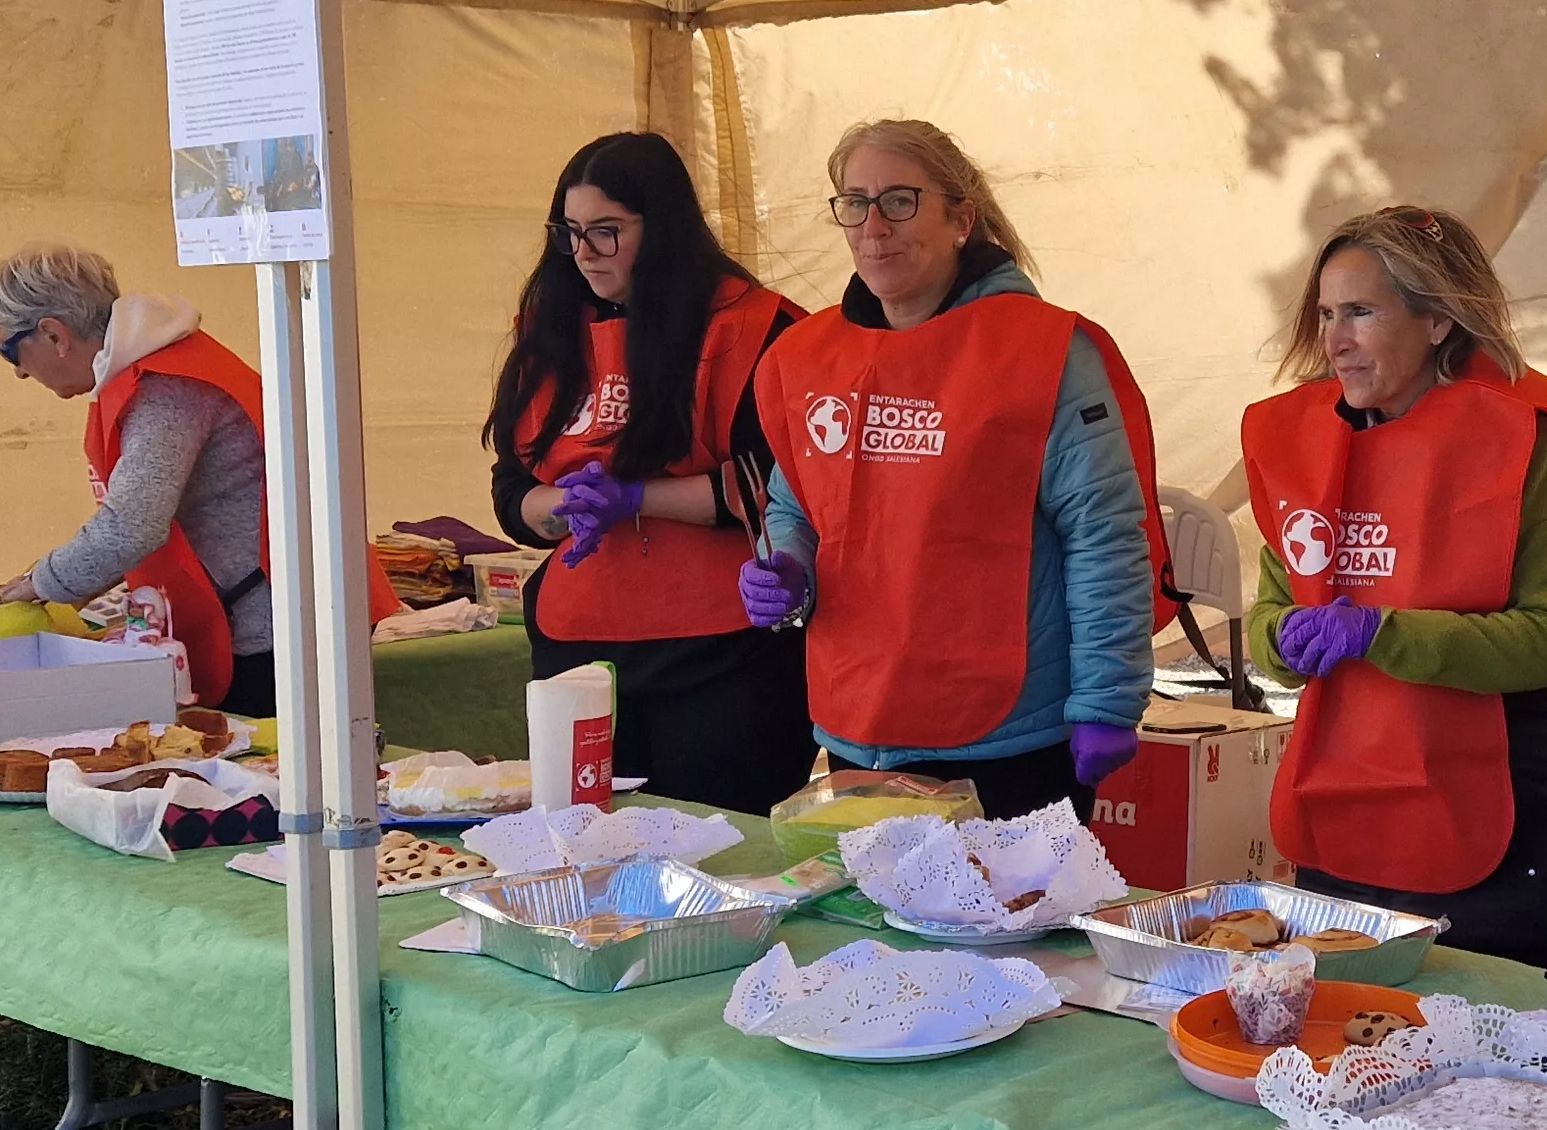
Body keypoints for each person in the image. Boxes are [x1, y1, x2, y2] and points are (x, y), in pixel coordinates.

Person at [1240, 207, 1547, 966]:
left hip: (1496, 816)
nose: (1335, 339)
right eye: (1328, 313)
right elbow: (1271, 613)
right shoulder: (1308, 450)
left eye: (1362, 312)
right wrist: (1280, 638)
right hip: (1346, 803)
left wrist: (1381, 633)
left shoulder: (1521, 441)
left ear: (1437, 320)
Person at [744, 119, 1169, 822]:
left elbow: (1106, 535)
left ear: (961, 218)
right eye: (854, 202)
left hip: (1008, 736)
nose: (873, 226)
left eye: (900, 201)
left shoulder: (1041, 350)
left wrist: (1108, 699)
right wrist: (789, 567)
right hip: (861, 724)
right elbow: (796, 506)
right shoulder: (814, 355)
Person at [483, 132, 813, 815]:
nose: (583, 255)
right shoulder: (549, 330)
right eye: (569, 233)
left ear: (661, 226)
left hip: (723, 655)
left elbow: (778, 483)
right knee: (590, 857)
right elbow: (510, 484)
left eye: (606, 233)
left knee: (721, 852)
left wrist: (634, 498)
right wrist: (558, 507)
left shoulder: (756, 326)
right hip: (580, 652)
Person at [0, 244, 389, 715]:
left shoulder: (164, 387)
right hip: (269, 620)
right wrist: (74, 584)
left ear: (54, 335)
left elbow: (132, 525)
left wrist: (40, 582)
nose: (19, 372)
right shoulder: (144, 374)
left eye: (9, 352)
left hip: (276, 633)